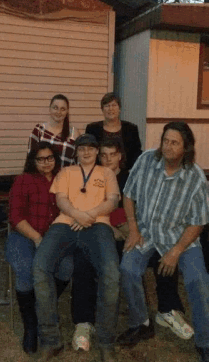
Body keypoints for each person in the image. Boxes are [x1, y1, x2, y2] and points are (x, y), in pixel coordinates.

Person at [71, 138, 193, 352]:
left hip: (134, 233)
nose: (108, 159)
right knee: (84, 260)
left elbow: (146, 207)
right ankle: (84, 322)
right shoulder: (93, 178)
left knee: (162, 254)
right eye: (103, 155)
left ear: (120, 156)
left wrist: (134, 229)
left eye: (113, 154)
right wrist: (114, 227)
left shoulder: (133, 176)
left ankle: (168, 310)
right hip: (104, 233)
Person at [116, 121, 209, 362]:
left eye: (174, 143)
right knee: (128, 268)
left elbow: (198, 222)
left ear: (186, 147)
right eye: (165, 141)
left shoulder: (196, 178)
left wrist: (176, 250)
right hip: (146, 231)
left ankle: (205, 340)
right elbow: (128, 194)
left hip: (181, 237)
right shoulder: (147, 160)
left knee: (198, 280)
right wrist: (134, 228)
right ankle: (141, 323)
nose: (167, 147)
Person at [32, 134, 120, 362]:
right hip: (65, 224)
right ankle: (51, 341)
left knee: (111, 273)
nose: (86, 152)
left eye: (91, 148)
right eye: (82, 148)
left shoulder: (107, 173)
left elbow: (112, 201)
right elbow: (61, 200)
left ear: (97, 151)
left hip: (98, 225)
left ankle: (106, 342)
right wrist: (77, 215)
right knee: (40, 267)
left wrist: (88, 215)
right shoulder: (66, 173)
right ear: (76, 152)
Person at [6, 142, 72, 355]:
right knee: (26, 272)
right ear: (33, 161)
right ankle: (31, 324)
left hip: (54, 237)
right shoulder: (23, 180)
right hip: (24, 235)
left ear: (56, 159)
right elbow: (15, 216)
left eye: (50, 158)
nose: (46, 162)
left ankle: (39, 305)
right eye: (41, 159)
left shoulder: (63, 179)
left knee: (67, 267)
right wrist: (36, 238)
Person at [86, 92, 142, 171]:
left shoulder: (131, 129)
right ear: (102, 109)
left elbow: (136, 154)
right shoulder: (92, 129)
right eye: (107, 106)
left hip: (125, 174)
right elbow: (89, 153)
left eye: (114, 105)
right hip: (99, 173)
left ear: (119, 109)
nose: (110, 109)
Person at [28, 94, 80, 166]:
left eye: (63, 109)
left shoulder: (74, 132)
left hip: (67, 176)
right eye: (55, 108)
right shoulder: (39, 131)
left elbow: (78, 161)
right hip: (43, 176)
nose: (58, 112)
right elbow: (30, 160)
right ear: (50, 109)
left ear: (67, 111)